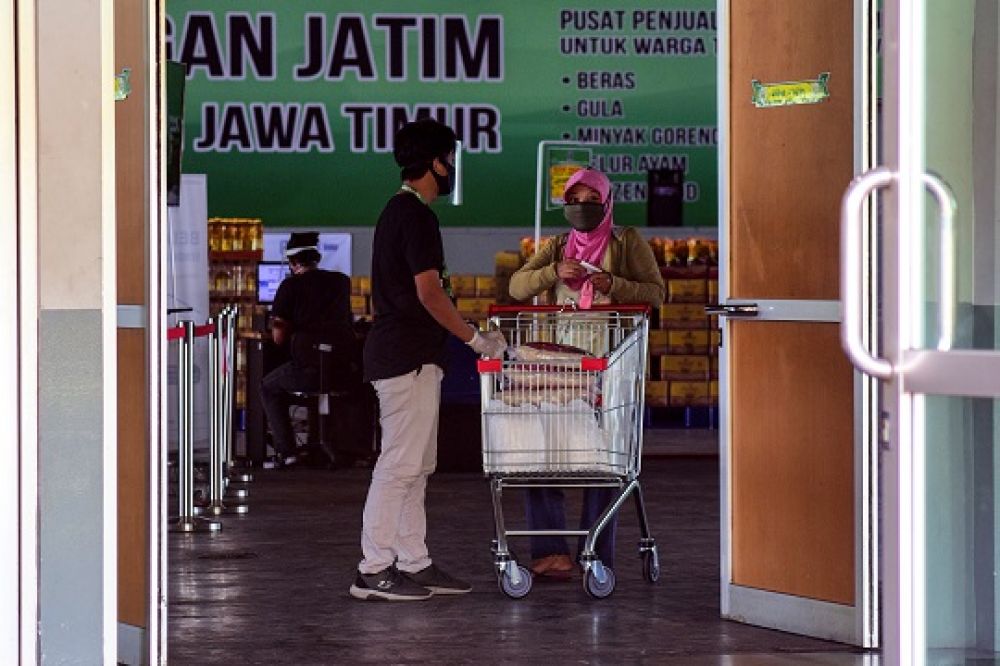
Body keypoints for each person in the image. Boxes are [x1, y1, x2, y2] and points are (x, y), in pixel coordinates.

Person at [350, 118, 507, 601]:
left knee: (417, 466)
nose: (452, 168)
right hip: (406, 358)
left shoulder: (400, 212)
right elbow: (430, 293)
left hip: (411, 356)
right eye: (450, 159)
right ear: (436, 163)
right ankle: (374, 568)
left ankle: (413, 562)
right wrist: (475, 339)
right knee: (400, 465)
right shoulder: (416, 216)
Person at [509, 167, 665, 578]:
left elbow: (656, 293)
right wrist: (553, 272)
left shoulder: (626, 242)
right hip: (561, 369)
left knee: (603, 461)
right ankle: (550, 551)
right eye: (574, 200)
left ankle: (593, 553)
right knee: (544, 454)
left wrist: (613, 283)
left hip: (613, 365)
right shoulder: (558, 246)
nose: (582, 207)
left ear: (607, 202)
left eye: (592, 200)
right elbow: (517, 287)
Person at [260, 232, 354, 469]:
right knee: (321, 389)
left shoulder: (290, 286)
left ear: (293, 263)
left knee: (268, 387)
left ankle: (287, 452)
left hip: (308, 368)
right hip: (342, 369)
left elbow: (278, 337)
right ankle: (338, 446)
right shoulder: (341, 282)